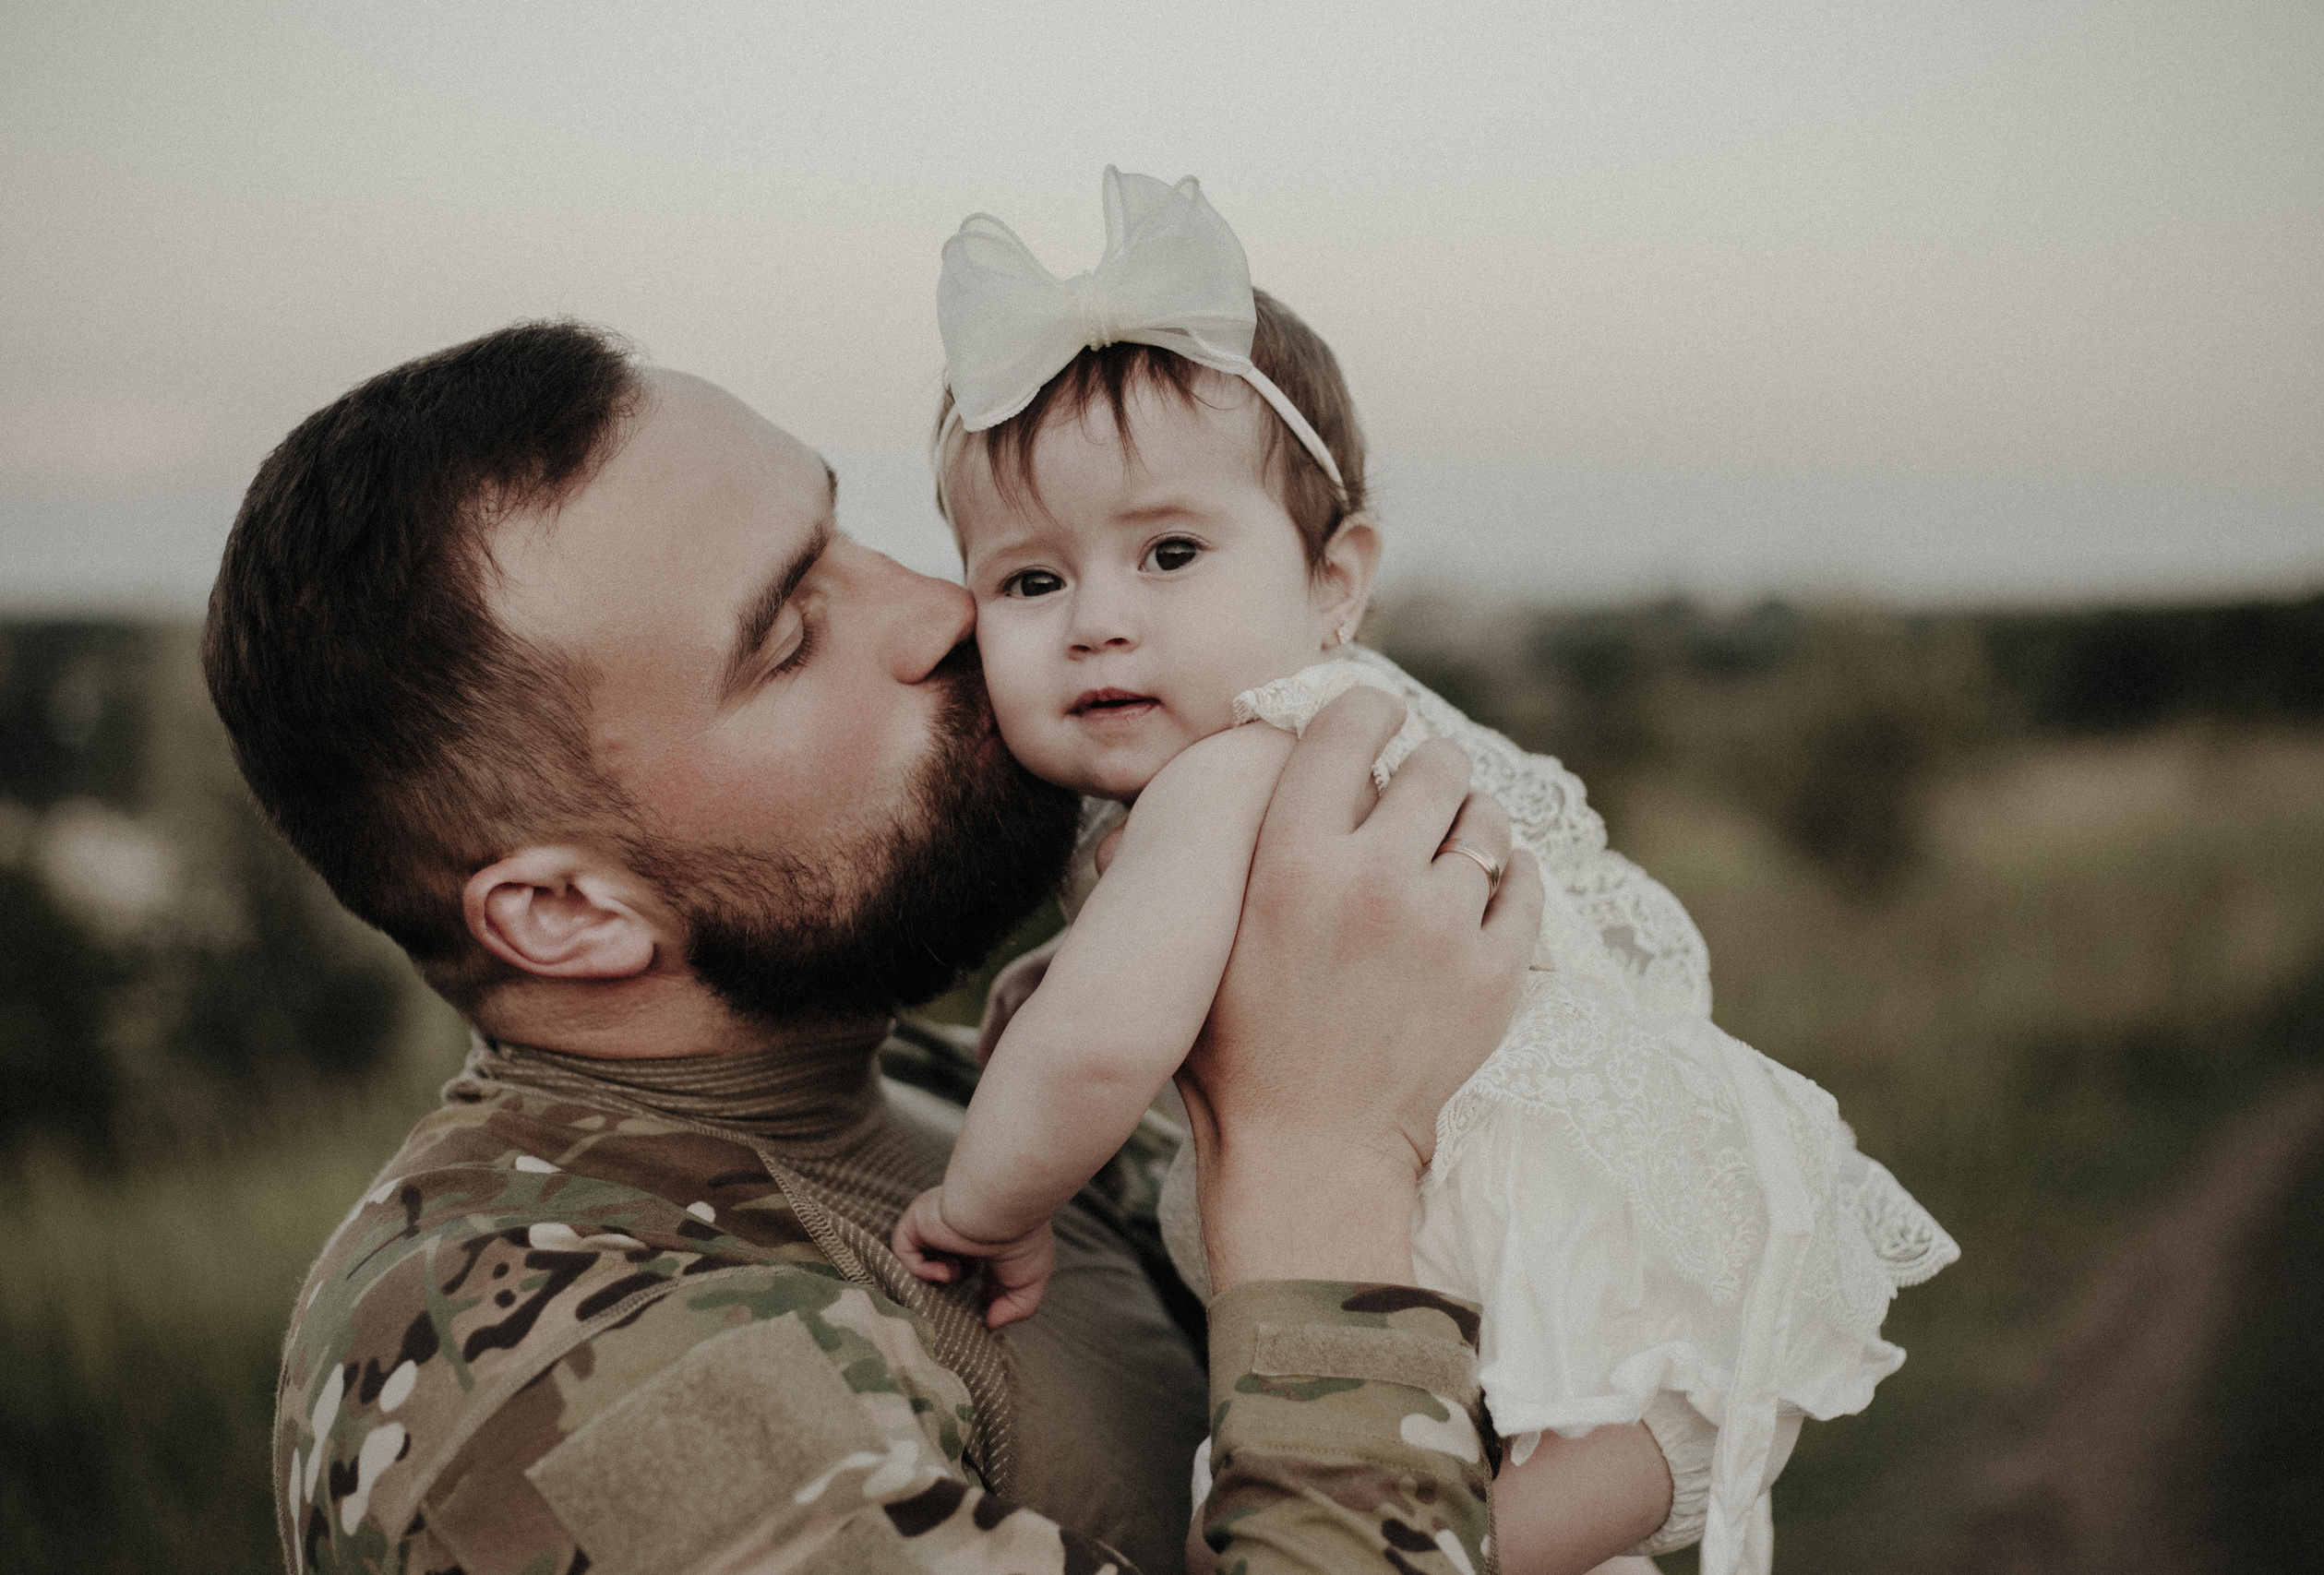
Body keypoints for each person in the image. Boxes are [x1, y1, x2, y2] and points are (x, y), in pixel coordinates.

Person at [207, 321, 1555, 1575]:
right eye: (792, 638)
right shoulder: (542, 1379)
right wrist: (1323, 1160)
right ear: (568, 913)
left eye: (848, 533)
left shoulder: (953, 1083)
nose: (946, 611)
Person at [889, 170, 1959, 1575]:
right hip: (1599, 1313)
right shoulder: (1303, 749)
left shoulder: (1235, 767)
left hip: (1513, 1293)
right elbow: (1121, 982)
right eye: (1030, 581)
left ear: (1337, 583)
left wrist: (987, 1208)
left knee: (1288, 1544)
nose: (1099, 622)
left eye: (1168, 553)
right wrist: (1048, 974)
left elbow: (1103, 1048)